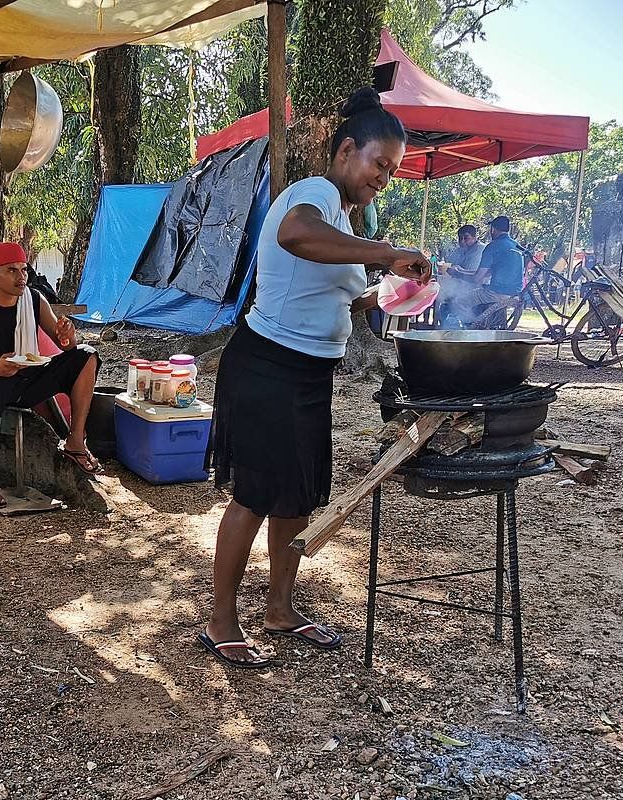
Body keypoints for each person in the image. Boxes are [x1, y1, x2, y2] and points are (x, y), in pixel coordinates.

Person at [201, 87, 431, 667]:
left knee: (298, 495)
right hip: (265, 366)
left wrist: (388, 291)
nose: (385, 177)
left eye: (393, 170)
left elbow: (331, 291)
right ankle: (220, 619)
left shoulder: (345, 225)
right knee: (254, 494)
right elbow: (293, 235)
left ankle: (280, 607)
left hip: (308, 374)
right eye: (380, 164)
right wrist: (384, 252)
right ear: (347, 149)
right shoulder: (314, 195)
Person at [0, 242, 101, 508]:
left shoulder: (33, 299)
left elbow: (64, 346)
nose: (21, 277)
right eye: (11, 271)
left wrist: (68, 336)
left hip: (30, 377)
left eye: (23, 270)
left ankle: (75, 440)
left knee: (86, 355)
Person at [451, 216, 526, 327]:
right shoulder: (516, 246)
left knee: (458, 301)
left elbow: (477, 279)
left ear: (493, 229)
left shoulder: (493, 246)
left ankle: (470, 328)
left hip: (496, 293)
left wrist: (457, 274)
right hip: (515, 294)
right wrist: (462, 271)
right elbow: (487, 273)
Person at [435, 224, 485, 321]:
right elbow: (451, 265)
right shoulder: (458, 251)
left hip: (476, 287)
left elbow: (471, 275)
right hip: (458, 286)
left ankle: (468, 324)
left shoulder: (480, 250)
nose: (462, 241)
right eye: (460, 238)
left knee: (455, 302)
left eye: (466, 238)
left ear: (474, 237)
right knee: (442, 300)